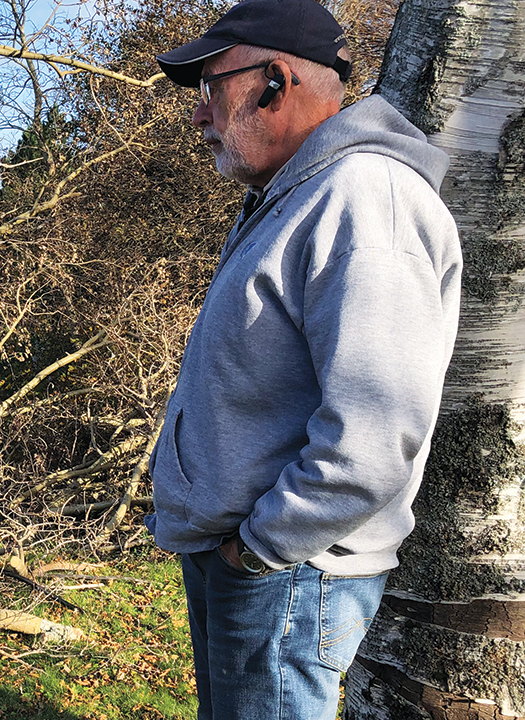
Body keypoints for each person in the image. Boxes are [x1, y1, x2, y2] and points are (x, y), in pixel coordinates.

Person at [144, 1, 463, 718]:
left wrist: (255, 551)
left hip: (287, 571)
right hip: (260, 562)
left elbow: (373, 439)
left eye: (210, 89)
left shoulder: (364, 199)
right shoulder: (299, 197)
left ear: (275, 81)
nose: (199, 117)